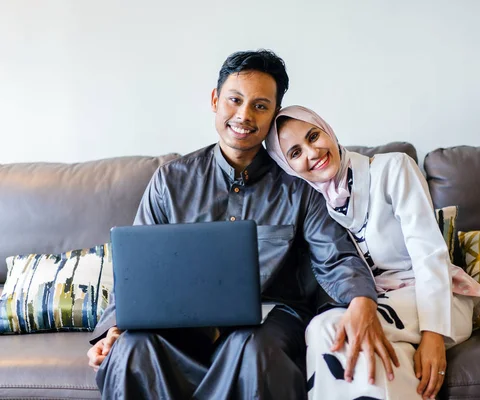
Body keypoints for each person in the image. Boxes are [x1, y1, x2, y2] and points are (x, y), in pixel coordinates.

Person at [86, 50, 398, 400]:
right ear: (216, 100)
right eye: (235, 100)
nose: (244, 115)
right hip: (184, 325)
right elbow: (136, 273)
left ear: (274, 114)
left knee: (252, 348)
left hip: (272, 323)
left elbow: (336, 256)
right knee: (130, 351)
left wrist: (361, 301)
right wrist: (113, 330)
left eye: (260, 106)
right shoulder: (170, 180)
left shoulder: (298, 183)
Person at [265, 105, 480, 400]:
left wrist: (434, 336)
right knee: (383, 364)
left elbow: (429, 253)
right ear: (286, 166)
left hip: (438, 301)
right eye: (295, 153)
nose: (312, 152)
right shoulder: (313, 206)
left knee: (330, 328)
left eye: (313, 136)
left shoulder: (393, 168)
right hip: (381, 309)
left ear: (327, 130)